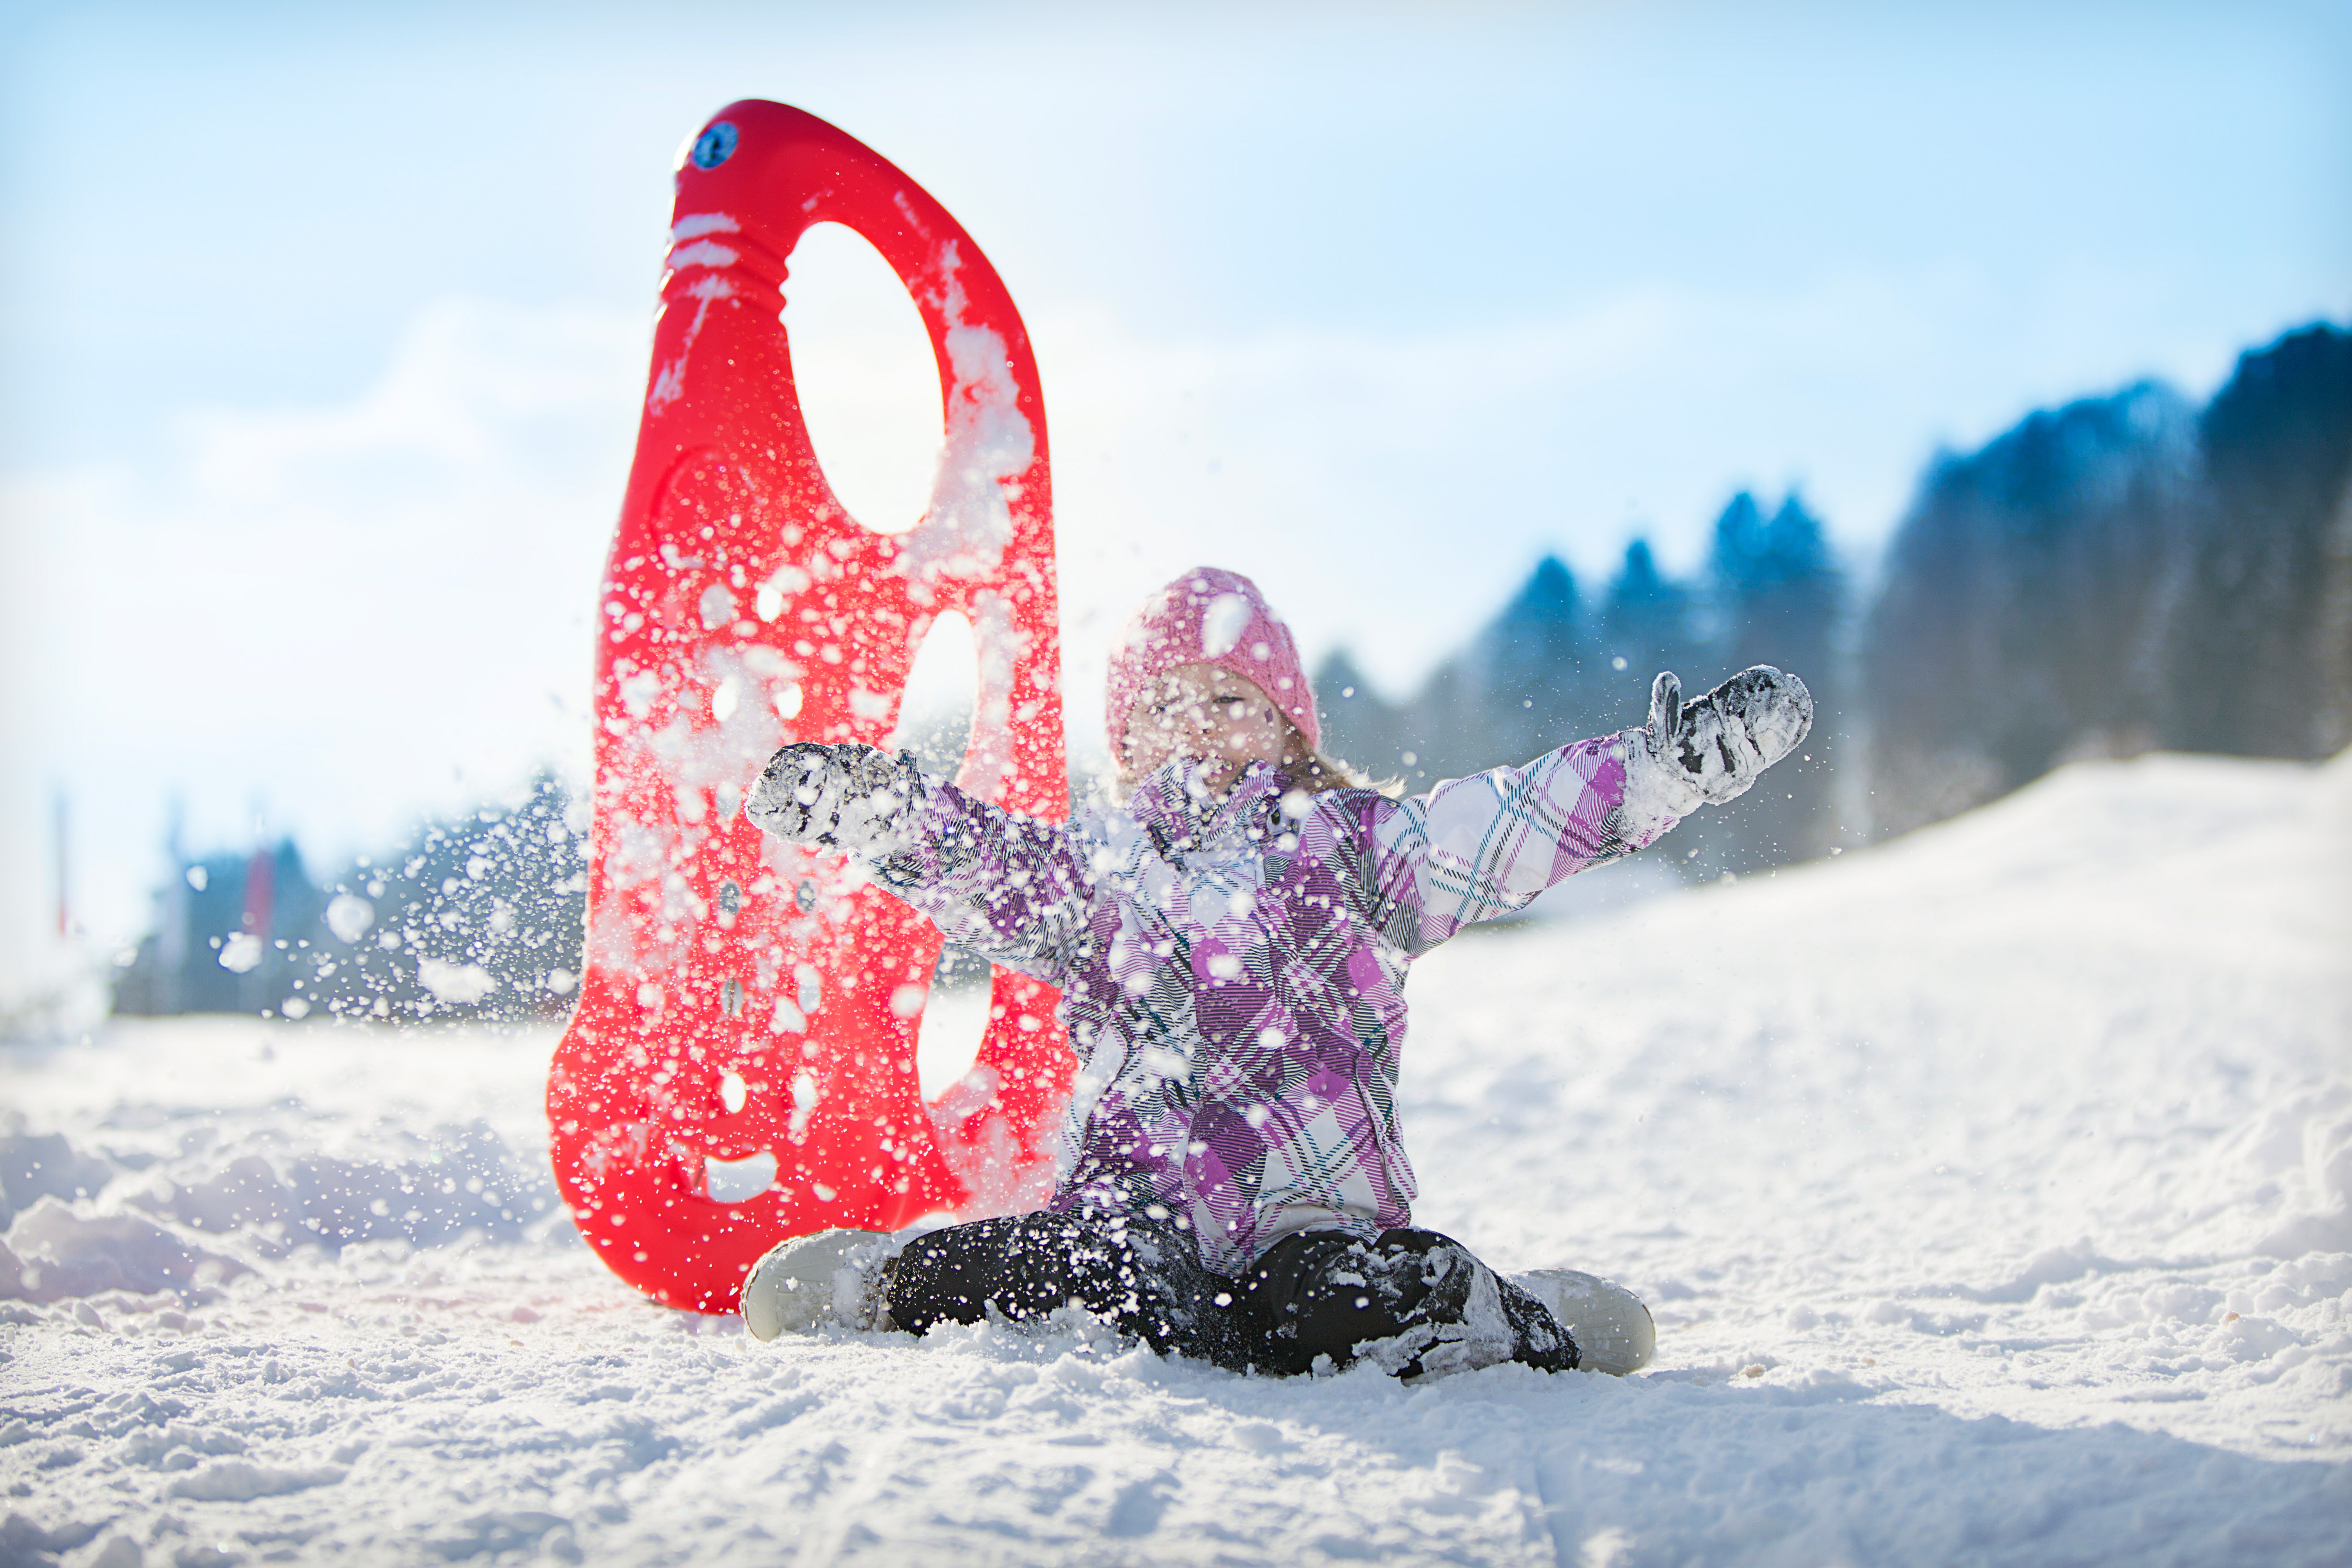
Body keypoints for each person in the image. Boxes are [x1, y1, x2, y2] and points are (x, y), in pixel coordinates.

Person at [737, 566, 1812, 1379]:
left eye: (1230, 703)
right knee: (1097, 1278)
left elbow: (1497, 831)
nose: (1199, 730)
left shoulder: (1357, 850)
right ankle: (877, 1284)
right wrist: (878, 810)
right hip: (1134, 1214)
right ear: (1128, 739)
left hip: (1319, 1223)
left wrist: (1658, 773)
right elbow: (988, 869)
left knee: (1351, 1303)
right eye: (1168, 705)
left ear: (1285, 724)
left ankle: (1529, 1320)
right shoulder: (1100, 871)